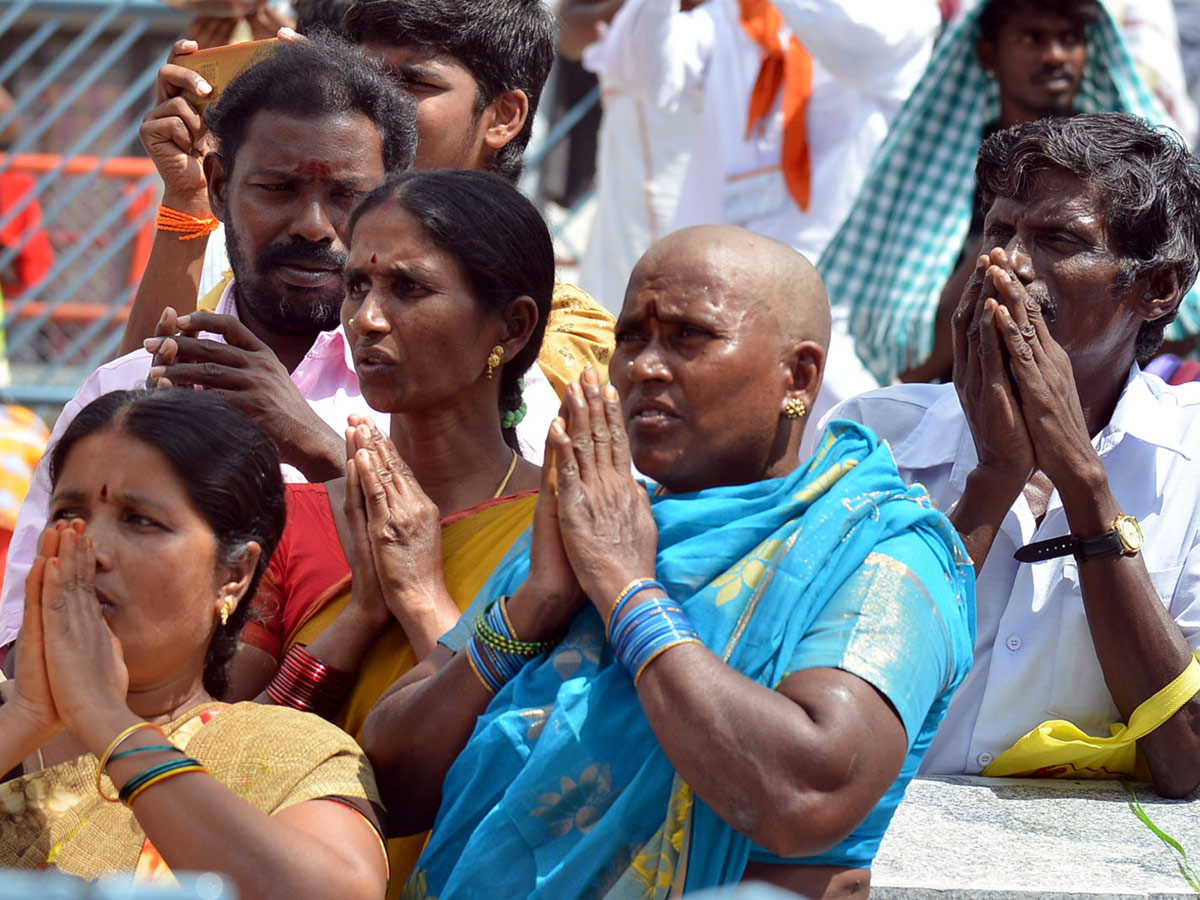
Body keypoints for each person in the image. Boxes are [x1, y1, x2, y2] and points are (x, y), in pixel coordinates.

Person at [363, 226, 976, 900]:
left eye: (690, 337)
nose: (645, 367)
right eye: (631, 338)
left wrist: (628, 592)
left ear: (797, 376)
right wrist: (532, 607)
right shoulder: (601, 522)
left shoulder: (882, 551)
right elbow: (389, 779)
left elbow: (804, 795)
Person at [0, 36, 418, 652]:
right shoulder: (125, 386)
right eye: (277, 189)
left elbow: (467, 590)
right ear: (218, 188)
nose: (313, 224)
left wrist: (312, 442)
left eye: (346, 197)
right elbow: (20, 638)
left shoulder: (436, 387)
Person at [827, 113, 1200, 797]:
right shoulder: (875, 435)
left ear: (1159, 288)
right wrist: (994, 481)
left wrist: (1085, 487)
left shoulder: (1192, 459)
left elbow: (1189, 760)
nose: (1010, 263)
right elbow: (826, 706)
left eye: (1059, 238)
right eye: (999, 232)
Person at [225, 169, 552, 886]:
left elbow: (532, 763)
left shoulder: (567, 530)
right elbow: (228, 766)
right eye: (357, 286)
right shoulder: (297, 519)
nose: (366, 318)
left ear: (513, 325)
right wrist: (353, 626)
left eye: (410, 289)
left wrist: (421, 597)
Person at [124, 0, 614, 403]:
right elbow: (129, 403)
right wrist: (186, 200)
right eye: (365, 77)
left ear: (503, 116)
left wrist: (313, 443)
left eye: (415, 84)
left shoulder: (560, 338)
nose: (381, 106)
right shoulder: (287, 269)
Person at [0, 389, 388, 897]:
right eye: (68, 516)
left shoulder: (288, 752)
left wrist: (107, 721)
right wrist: (27, 717)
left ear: (235, 573)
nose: (90, 550)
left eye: (140, 520)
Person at [820, 0, 1199, 386]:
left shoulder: (1120, 175)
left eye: (1069, 39)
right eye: (1031, 39)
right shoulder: (944, 170)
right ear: (989, 54)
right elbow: (915, 360)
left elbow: (1179, 324)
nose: (1054, 56)